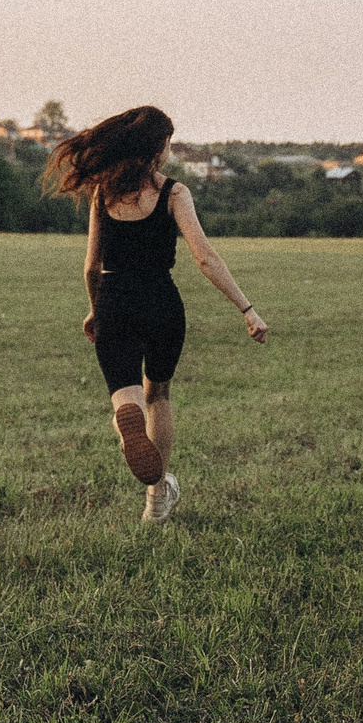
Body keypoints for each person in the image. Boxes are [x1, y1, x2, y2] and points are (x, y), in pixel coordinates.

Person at [44, 106, 267, 523]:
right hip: (161, 302)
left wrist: (96, 310)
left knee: (126, 398)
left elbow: (91, 266)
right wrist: (247, 309)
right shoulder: (174, 193)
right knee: (158, 394)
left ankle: (127, 424)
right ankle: (156, 496)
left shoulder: (102, 193)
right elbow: (205, 258)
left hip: (114, 300)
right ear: (157, 147)